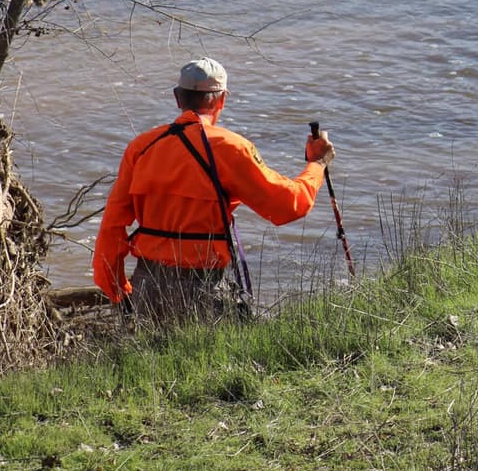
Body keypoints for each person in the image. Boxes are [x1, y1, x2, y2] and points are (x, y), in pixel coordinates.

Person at [93, 57, 335, 323]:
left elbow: (112, 226)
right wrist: (317, 164)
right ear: (221, 100)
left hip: (148, 286)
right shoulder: (231, 148)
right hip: (204, 289)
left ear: (177, 98)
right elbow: (287, 205)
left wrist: (118, 290)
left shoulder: (141, 147)